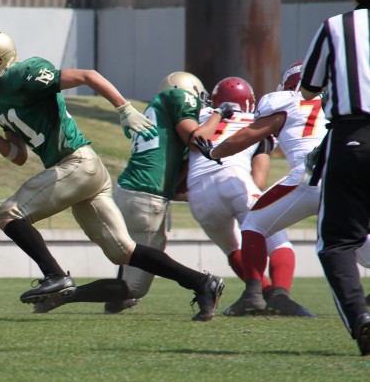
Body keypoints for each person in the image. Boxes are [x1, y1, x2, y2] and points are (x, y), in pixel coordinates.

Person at [0, 28, 224, 320]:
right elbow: (18, 156)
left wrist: (124, 109)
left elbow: (88, 76)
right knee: (123, 252)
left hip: (77, 162)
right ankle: (202, 283)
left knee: (9, 214)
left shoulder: (23, 75)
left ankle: (54, 275)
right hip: (81, 172)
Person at [194, 62, 328, 316]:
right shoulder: (338, 104)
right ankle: (277, 296)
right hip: (343, 181)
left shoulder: (286, 101)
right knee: (356, 243)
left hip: (308, 176)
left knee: (254, 224)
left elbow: (248, 136)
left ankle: (254, 295)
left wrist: (214, 152)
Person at [102, 71, 230, 314]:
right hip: (146, 199)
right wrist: (220, 113)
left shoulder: (157, 113)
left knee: (133, 254)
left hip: (129, 192)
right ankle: (202, 283)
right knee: (134, 287)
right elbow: (198, 140)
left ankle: (96, 299)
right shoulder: (177, 96)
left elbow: (174, 183)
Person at [299, 0, 370, 354]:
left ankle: (361, 318)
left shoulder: (336, 27)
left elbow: (308, 87)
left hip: (352, 137)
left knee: (338, 242)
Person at [186, 77, 300, 315]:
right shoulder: (254, 121)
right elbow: (259, 177)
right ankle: (279, 295)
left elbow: (192, 144)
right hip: (233, 178)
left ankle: (259, 296)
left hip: (197, 192)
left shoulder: (204, 116)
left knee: (232, 248)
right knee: (277, 240)